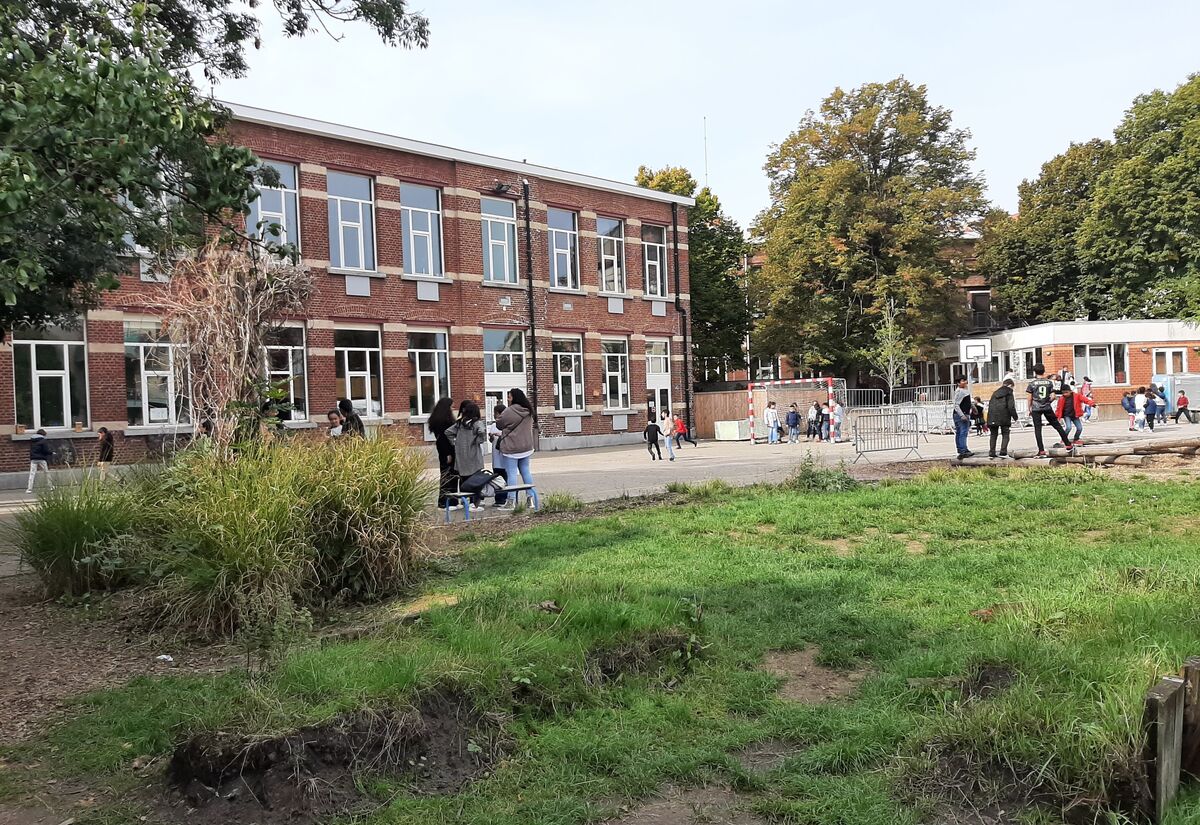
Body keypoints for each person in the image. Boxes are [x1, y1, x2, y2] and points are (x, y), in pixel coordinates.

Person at [495, 388, 536, 510]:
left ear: (513, 397)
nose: (508, 399)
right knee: (526, 471)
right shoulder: (529, 410)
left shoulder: (509, 411)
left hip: (511, 447)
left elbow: (499, 424)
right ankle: (531, 499)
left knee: (512, 473)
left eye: (509, 396)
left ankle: (511, 501)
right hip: (526, 446)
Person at [445, 400, 487, 505]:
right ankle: (475, 502)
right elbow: (481, 433)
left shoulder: (459, 423)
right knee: (476, 479)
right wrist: (477, 440)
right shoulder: (477, 423)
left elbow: (448, 432)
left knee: (464, 479)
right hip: (474, 456)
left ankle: (465, 500)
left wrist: (454, 442)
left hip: (461, 456)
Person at [1026, 364, 1072, 457]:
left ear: (1035, 372)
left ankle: (1041, 450)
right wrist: (1048, 402)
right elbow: (1053, 396)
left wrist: (1029, 408)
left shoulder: (1032, 383)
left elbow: (1029, 397)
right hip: (1047, 407)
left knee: (1038, 429)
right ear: (1044, 371)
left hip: (1036, 408)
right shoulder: (1049, 383)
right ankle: (1068, 444)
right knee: (1057, 425)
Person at [428, 397, 457, 510]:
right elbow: (444, 439)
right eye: (451, 406)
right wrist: (449, 453)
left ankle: (444, 500)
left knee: (445, 474)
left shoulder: (436, 419)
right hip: (447, 450)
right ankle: (450, 501)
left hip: (442, 449)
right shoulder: (445, 421)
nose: (452, 408)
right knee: (450, 475)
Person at [987, 379, 1018, 459]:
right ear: (1010, 385)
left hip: (992, 416)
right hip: (1004, 415)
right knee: (1005, 433)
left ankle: (992, 452)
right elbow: (1011, 406)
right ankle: (1003, 452)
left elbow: (990, 405)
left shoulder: (995, 393)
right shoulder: (1009, 393)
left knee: (993, 434)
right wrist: (1015, 417)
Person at [487, 403, 509, 505]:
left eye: (496, 413)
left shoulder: (507, 424)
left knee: (504, 477)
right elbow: (491, 440)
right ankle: (498, 498)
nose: (494, 415)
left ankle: (504, 498)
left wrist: (500, 434)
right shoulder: (493, 425)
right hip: (496, 456)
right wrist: (491, 436)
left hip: (504, 455)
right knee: (496, 478)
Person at [26, 429, 53, 494]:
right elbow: (45, 450)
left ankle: (29, 489)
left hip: (33, 459)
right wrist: (51, 453)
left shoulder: (32, 440)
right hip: (41, 459)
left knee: (32, 474)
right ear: (43, 434)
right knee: (46, 473)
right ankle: (50, 486)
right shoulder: (43, 441)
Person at [952, 376, 973, 460]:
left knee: (960, 432)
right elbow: (956, 404)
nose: (965, 382)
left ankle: (963, 449)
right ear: (958, 383)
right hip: (961, 415)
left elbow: (967, 402)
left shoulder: (964, 391)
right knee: (962, 432)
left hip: (962, 414)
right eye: (963, 381)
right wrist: (962, 415)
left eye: (965, 380)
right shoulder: (960, 391)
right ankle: (962, 450)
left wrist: (972, 407)